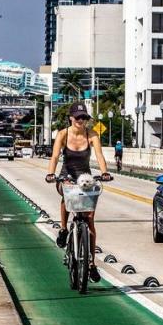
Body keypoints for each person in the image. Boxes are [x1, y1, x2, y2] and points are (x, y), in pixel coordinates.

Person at [45, 102, 112, 282]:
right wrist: (51, 174)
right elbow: (55, 156)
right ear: (71, 118)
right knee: (68, 192)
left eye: (84, 117)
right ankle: (64, 229)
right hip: (66, 174)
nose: (81, 120)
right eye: (78, 117)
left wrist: (104, 172)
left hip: (85, 177)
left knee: (89, 219)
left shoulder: (92, 135)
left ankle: (91, 263)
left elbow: (99, 155)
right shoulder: (63, 134)